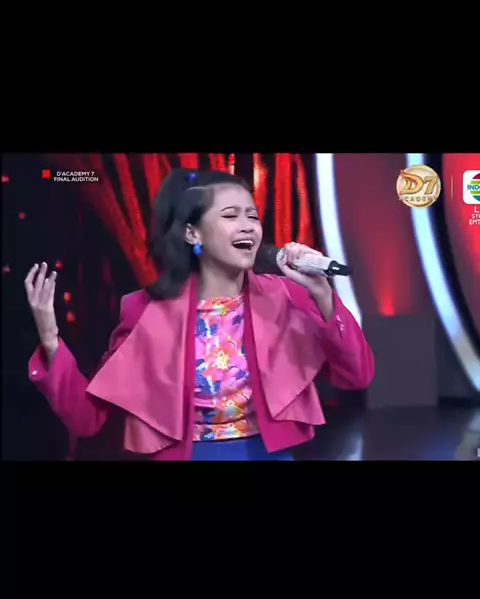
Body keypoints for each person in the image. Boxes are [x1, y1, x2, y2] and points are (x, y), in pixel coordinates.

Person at [25, 168, 374, 461]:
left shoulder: (283, 296)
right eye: (230, 216)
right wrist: (50, 340)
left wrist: (322, 295)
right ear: (193, 233)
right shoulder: (148, 312)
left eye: (252, 216)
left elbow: (356, 375)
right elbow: (86, 418)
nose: (248, 226)